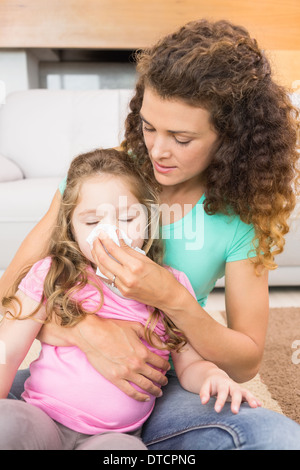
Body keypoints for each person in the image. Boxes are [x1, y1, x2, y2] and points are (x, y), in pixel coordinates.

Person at [1, 19, 300, 449]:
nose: (158, 150)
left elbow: (246, 360)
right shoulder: (105, 178)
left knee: (276, 439)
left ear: (230, 138)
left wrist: (171, 298)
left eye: (181, 138)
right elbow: (11, 290)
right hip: (67, 375)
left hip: (163, 380)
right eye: (149, 126)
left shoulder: (240, 218)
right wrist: (83, 331)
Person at [0, 148, 262, 450]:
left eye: (127, 217)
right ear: (70, 227)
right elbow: (10, 348)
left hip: (114, 438)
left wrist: (212, 376)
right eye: (90, 222)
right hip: (42, 418)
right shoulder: (52, 273)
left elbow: (189, 364)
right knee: (7, 421)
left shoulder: (171, 285)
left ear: (149, 218)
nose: (110, 233)